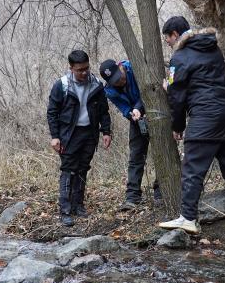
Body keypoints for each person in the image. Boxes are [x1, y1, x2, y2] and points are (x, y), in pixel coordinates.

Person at [157, 16, 225, 234]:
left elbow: (178, 96)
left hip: (204, 118)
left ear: (175, 35)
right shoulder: (213, 49)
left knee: (192, 169)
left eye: (167, 38)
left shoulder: (180, 56)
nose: (167, 42)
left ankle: (187, 218)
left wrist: (178, 126)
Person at [47, 50, 112, 226]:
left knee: (83, 169)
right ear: (71, 68)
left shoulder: (96, 85)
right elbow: (52, 112)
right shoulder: (61, 85)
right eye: (79, 70)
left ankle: (78, 205)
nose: (84, 73)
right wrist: (55, 137)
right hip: (69, 134)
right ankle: (65, 210)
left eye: (86, 68)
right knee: (68, 170)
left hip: (90, 133)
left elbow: (104, 111)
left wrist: (106, 132)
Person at [99, 58, 162, 209]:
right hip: (137, 120)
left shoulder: (135, 68)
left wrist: (138, 107)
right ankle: (133, 196)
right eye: (115, 81)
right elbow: (123, 108)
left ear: (121, 67)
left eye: (119, 77)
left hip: (155, 110)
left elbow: (148, 90)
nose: (119, 81)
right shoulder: (109, 91)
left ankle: (161, 191)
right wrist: (131, 114)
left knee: (162, 152)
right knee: (136, 156)